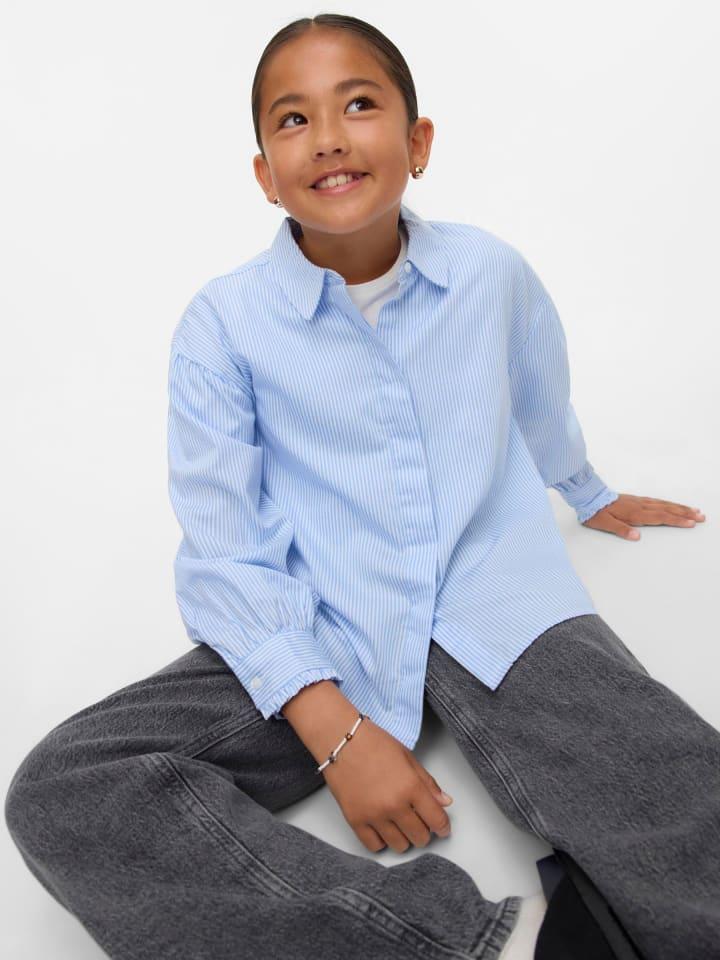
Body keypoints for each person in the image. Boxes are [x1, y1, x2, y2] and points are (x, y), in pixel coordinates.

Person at [5, 12, 716, 960]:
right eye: (294, 119)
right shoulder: (222, 327)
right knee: (67, 789)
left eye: (360, 105)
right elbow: (226, 546)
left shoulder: (491, 272)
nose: (330, 137)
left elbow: (538, 386)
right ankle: (486, 947)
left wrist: (585, 491)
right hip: (322, 623)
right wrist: (334, 731)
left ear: (418, 143)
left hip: (495, 600)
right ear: (265, 173)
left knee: (675, 789)